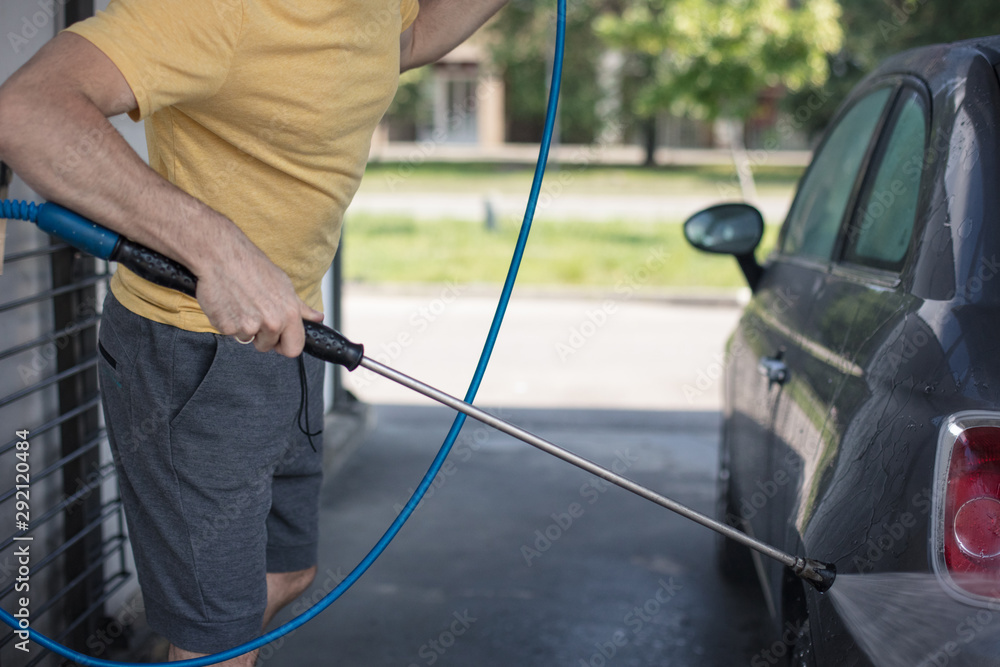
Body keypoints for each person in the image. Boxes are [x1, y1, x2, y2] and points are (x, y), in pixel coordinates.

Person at [0, 0, 507, 663]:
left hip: (289, 331)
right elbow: (27, 111)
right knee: (218, 636)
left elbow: (406, 38)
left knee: (283, 573)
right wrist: (214, 247)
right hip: (193, 348)